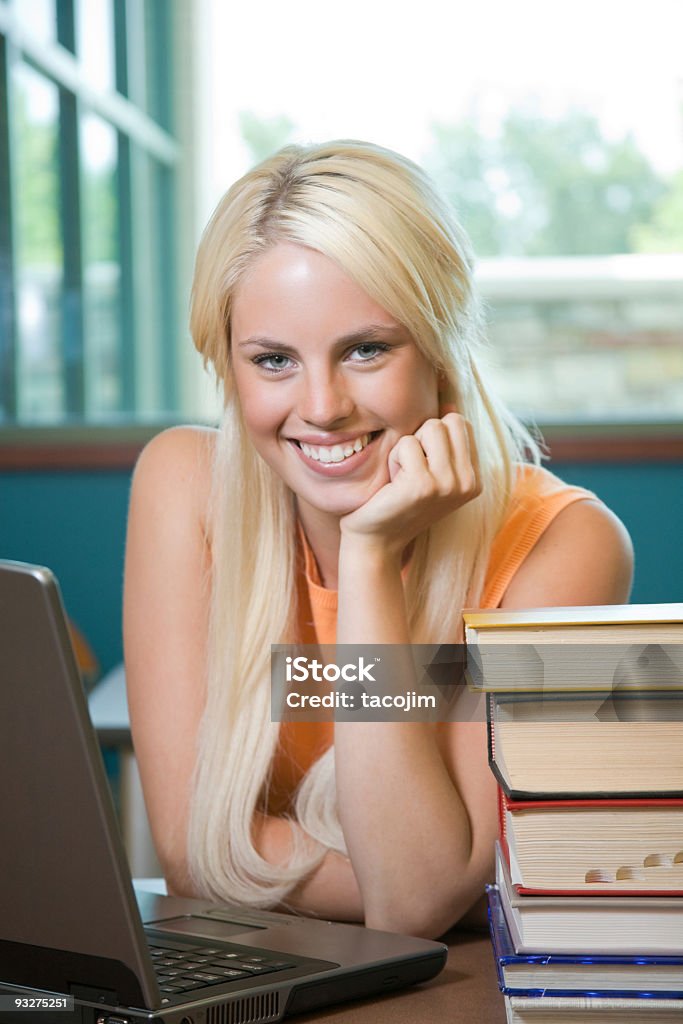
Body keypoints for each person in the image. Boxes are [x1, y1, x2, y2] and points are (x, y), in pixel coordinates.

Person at [123, 140, 633, 939]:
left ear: (438, 347)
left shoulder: (562, 546)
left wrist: (366, 558)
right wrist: (424, 869)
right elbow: (189, 857)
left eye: (366, 349)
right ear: (228, 364)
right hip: (264, 975)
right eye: (273, 360)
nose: (322, 406)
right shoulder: (183, 485)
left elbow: (411, 901)